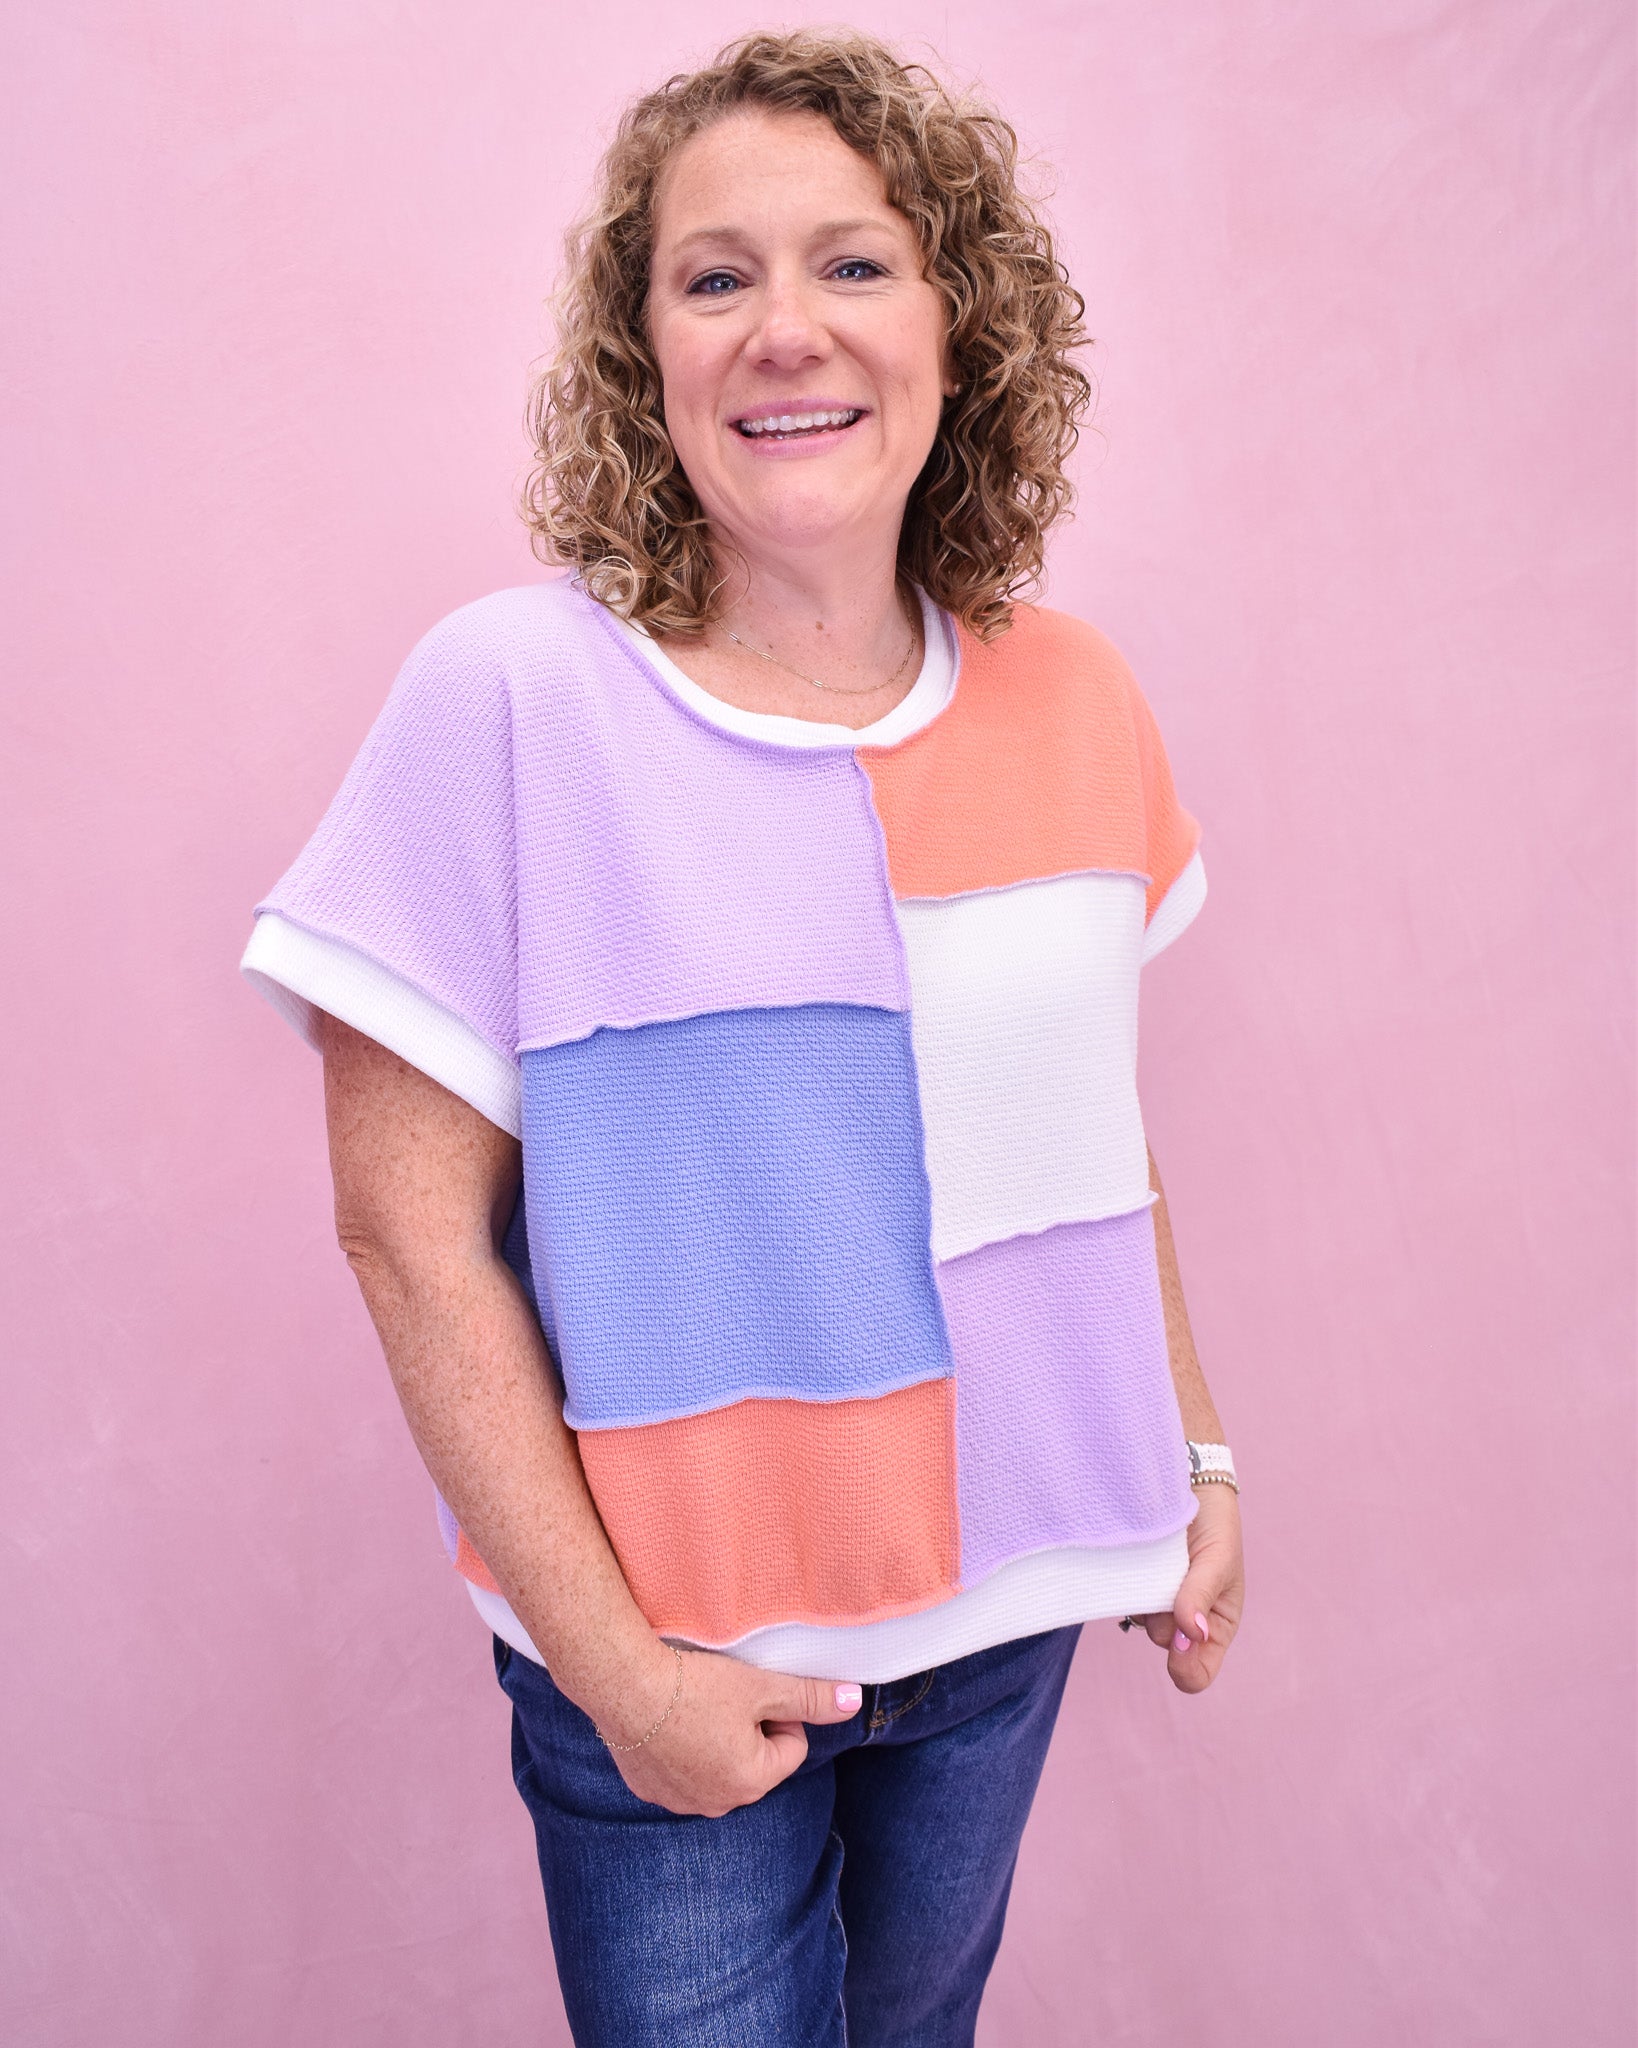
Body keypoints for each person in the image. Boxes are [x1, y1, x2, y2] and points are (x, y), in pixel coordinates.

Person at [241, 28, 1245, 2046]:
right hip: (680, 1663)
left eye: (854, 263)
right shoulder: (512, 701)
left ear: (959, 328)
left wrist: (1191, 1449)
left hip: (1016, 1614)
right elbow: (406, 1232)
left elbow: (1086, 1133)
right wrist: (619, 1672)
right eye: (716, 278)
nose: (785, 328)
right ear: (647, 355)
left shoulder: (1076, 697)